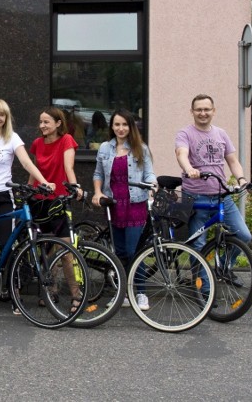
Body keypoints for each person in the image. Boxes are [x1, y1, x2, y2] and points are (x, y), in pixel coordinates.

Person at [0, 99, 53, 307]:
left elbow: (26, 162)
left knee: (7, 245)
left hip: (4, 196)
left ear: (6, 118)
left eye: (2, 115)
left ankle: (13, 291)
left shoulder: (12, 138)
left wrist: (43, 181)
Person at [91, 109, 156, 310]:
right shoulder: (104, 148)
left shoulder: (140, 148)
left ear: (131, 126)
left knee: (133, 250)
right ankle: (123, 294)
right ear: (112, 126)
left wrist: (153, 185)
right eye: (117, 124)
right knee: (119, 252)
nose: (121, 128)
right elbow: (98, 173)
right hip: (114, 204)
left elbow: (149, 174)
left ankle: (141, 292)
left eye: (125, 125)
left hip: (135, 203)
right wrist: (98, 192)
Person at [175, 94, 251, 255]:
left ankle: (224, 268)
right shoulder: (185, 134)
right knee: (198, 245)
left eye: (207, 109)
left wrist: (242, 179)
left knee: (243, 236)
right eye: (199, 110)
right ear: (192, 111)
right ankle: (200, 281)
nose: (203, 113)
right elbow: (181, 153)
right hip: (196, 196)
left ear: (213, 111)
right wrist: (189, 169)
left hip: (222, 195)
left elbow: (232, 161)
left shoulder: (221, 134)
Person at [28, 106, 84, 315]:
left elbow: (69, 167)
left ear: (58, 123)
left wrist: (75, 187)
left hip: (58, 200)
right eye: (40, 122)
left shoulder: (66, 140)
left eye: (46, 122)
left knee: (65, 251)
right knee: (45, 250)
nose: (42, 126)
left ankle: (76, 294)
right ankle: (50, 290)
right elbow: (34, 171)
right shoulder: (37, 143)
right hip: (38, 201)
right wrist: (26, 194)